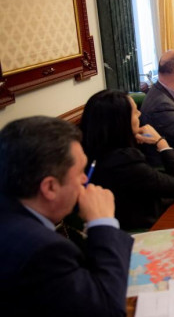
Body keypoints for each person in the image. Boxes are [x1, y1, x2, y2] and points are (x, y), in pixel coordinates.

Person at [0, 116, 133, 316]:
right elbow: (108, 310)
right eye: (80, 172)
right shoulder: (41, 250)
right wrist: (103, 222)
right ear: (50, 187)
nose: (85, 179)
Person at [81, 90, 174, 231]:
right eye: (134, 112)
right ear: (121, 121)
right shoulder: (125, 162)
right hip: (145, 230)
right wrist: (162, 143)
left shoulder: (91, 151)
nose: (139, 114)